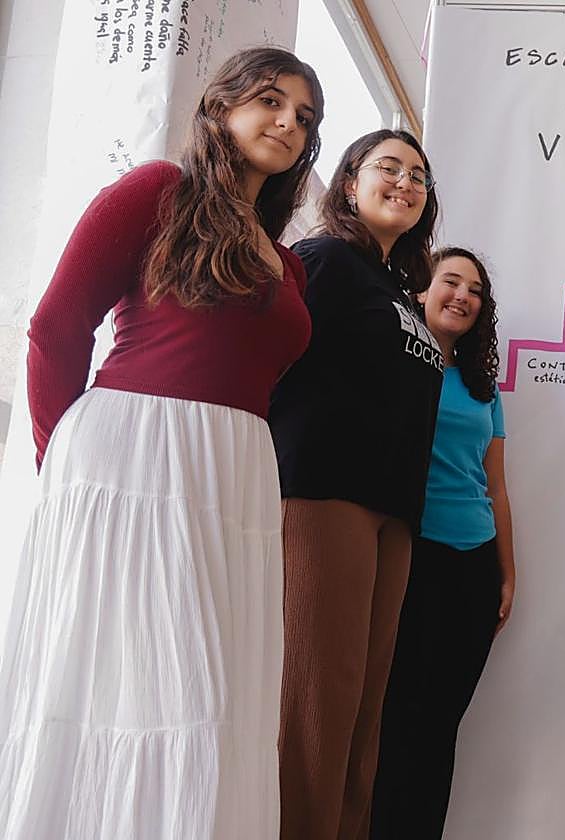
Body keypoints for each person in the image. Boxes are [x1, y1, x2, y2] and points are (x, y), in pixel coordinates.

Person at [0, 47, 323, 839]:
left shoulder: (287, 263)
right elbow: (55, 325)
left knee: (213, 697)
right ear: (222, 106)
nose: (288, 122)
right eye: (271, 101)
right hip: (133, 457)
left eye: (306, 117)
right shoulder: (159, 191)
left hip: (235, 476)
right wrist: (65, 467)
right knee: (134, 689)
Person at [268, 129, 444, 839]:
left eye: (419, 176)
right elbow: (268, 360)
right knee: (318, 701)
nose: (405, 182)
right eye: (388, 168)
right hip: (321, 493)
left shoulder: (397, 286)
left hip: (392, 512)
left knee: (365, 707)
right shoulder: (324, 259)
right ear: (348, 182)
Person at [371, 247, 514, 839]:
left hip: (473, 565)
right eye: (450, 281)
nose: (462, 295)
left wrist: (508, 573)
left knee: (440, 725)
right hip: (409, 555)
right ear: (421, 290)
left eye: (474, 289)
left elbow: (495, 485)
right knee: (393, 718)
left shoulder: (482, 386)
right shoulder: (392, 361)